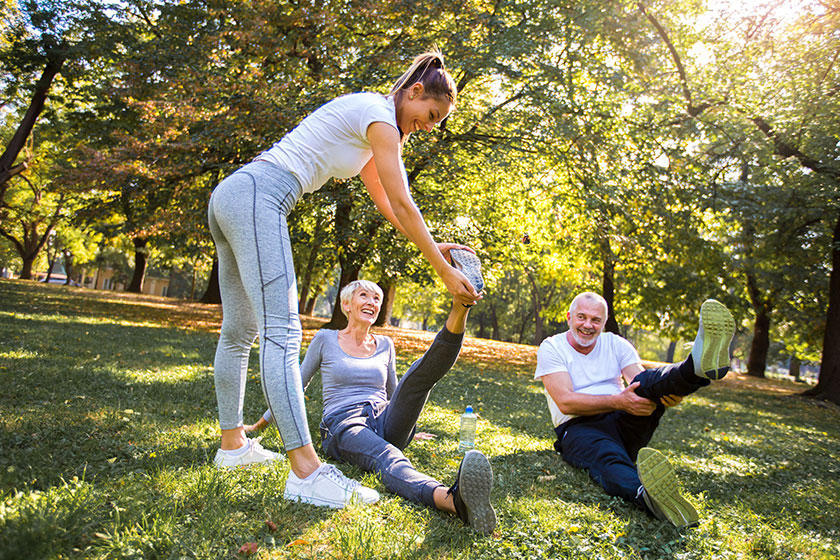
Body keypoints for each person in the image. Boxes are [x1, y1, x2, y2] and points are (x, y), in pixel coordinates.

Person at [207, 50, 482, 507]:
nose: (429, 126)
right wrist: (442, 269)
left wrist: (437, 248)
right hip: (261, 195)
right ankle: (307, 472)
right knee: (282, 330)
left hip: (235, 194)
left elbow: (391, 207)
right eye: (430, 115)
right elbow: (404, 198)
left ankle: (233, 445)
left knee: (239, 333)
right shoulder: (381, 120)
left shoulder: (372, 122)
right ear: (414, 92)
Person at [249, 279, 497, 533]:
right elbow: (296, 385)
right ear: (346, 304)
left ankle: (461, 307)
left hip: (382, 416)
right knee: (388, 456)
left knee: (418, 378)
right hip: (344, 423)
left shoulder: (385, 344)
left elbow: (398, 392)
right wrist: (261, 423)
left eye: (377, 298)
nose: (372, 302)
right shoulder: (325, 339)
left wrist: (410, 427)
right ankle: (450, 499)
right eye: (364, 295)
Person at [535, 292, 735, 527]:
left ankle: (695, 368)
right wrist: (616, 401)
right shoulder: (552, 347)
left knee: (649, 383)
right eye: (581, 317)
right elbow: (566, 402)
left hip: (626, 420)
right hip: (579, 427)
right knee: (608, 461)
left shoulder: (616, 344)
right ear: (569, 317)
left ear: (604, 323)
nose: (588, 325)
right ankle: (647, 497)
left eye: (596, 320)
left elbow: (642, 382)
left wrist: (671, 394)